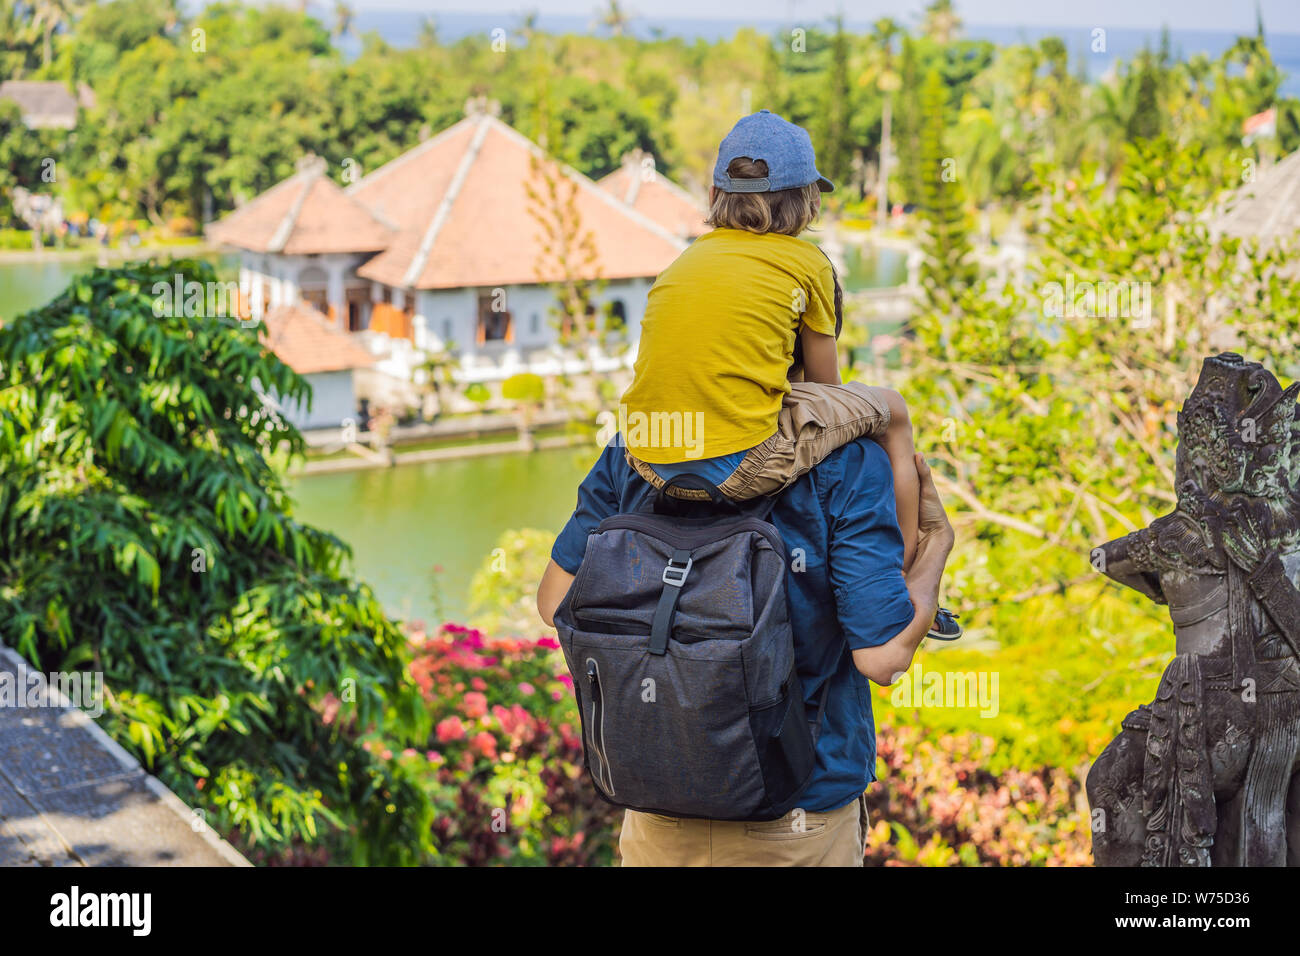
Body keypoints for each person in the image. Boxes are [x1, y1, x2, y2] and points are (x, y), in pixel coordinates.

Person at [619, 109, 958, 637]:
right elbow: (824, 387)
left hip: (647, 460)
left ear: (715, 196)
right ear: (807, 201)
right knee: (891, 411)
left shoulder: (684, 260)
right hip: (740, 464)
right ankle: (904, 577)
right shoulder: (805, 261)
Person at [536, 440, 955, 866]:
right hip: (797, 819)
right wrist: (936, 542)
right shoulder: (843, 455)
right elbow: (883, 657)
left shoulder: (637, 446)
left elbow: (555, 602)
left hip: (658, 814)